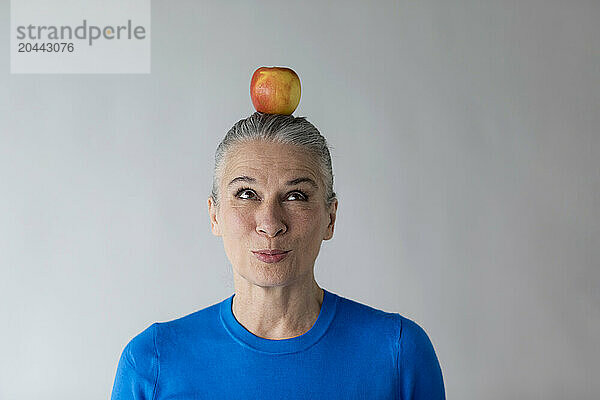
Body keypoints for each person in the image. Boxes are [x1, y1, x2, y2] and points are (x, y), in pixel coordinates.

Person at [110, 112, 446, 399]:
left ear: (330, 218)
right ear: (214, 215)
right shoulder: (152, 362)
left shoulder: (399, 353)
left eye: (296, 195)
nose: (270, 223)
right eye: (246, 194)